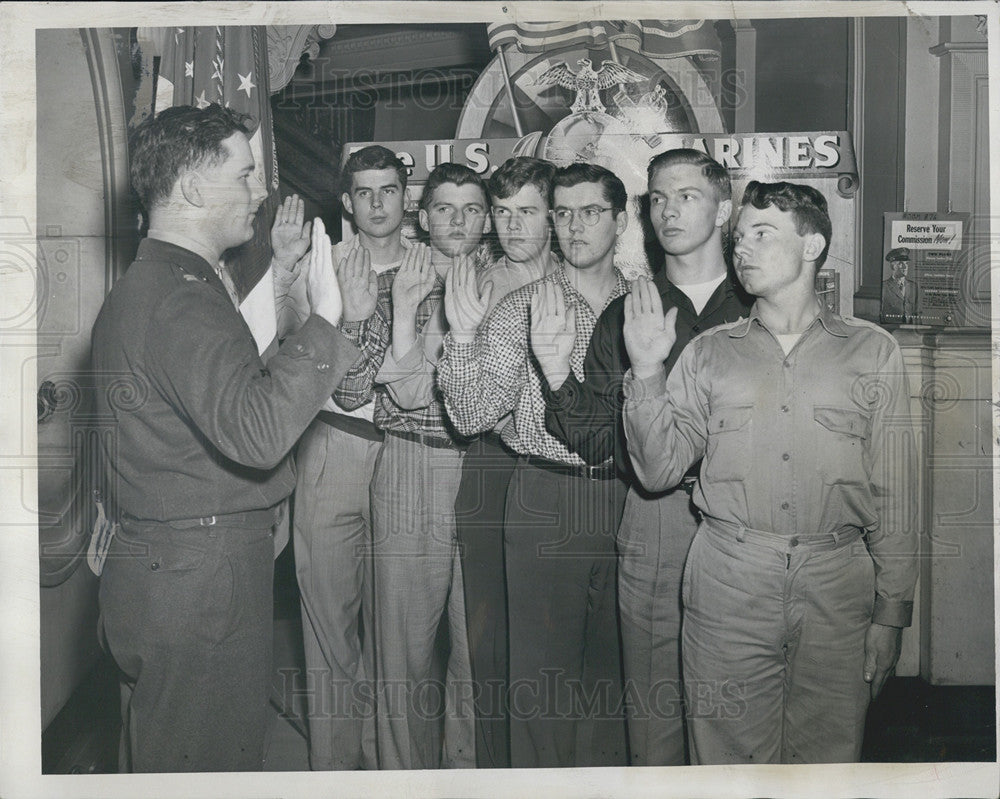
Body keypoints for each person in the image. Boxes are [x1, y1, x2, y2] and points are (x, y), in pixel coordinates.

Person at [91, 103, 359, 772]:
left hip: (165, 569)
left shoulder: (161, 282)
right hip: (202, 584)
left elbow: (219, 383)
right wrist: (329, 316)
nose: (261, 190)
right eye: (244, 175)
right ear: (190, 189)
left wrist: (287, 289)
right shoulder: (180, 296)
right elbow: (258, 430)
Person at [622, 180, 918, 764]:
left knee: (827, 762)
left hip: (837, 583)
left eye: (763, 234)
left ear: (812, 246)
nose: (743, 250)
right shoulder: (707, 353)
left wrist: (892, 615)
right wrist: (649, 371)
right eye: (739, 239)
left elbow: (898, 494)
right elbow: (657, 472)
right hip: (730, 580)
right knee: (728, 764)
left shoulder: (872, 351)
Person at [541, 149, 752, 766]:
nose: (668, 210)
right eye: (657, 198)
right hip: (658, 518)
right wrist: (557, 378)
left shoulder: (760, 303)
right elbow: (601, 439)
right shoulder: (628, 312)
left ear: (724, 207)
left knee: (737, 708)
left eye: (686, 195)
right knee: (654, 712)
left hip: (745, 523)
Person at [438, 162, 631, 768]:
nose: (574, 226)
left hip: (633, 500)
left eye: (590, 212)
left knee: (614, 685)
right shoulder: (523, 306)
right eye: (565, 213)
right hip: (545, 496)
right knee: (540, 689)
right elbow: (471, 416)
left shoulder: (648, 304)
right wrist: (465, 339)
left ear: (621, 221)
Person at [333, 162, 491, 769]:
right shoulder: (395, 278)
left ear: (487, 221)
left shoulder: (503, 283)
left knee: (475, 653)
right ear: (423, 217)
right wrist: (386, 315)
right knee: (401, 653)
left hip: (482, 473)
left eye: (471, 209)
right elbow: (350, 391)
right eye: (444, 209)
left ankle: (464, 774)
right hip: (409, 466)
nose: (457, 220)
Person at [270, 145, 411, 771]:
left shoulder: (435, 266)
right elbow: (284, 357)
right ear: (348, 203)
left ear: (406, 197)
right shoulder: (318, 267)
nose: (378, 203)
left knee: (398, 633)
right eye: (365, 193)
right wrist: (283, 270)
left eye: (389, 190)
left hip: (406, 455)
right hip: (332, 446)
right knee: (329, 623)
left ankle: (392, 770)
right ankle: (336, 774)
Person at [453, 156, 561, 769]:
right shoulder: (479, 285)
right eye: (502, 212)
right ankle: (497, 770)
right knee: (490, 633)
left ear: (552, 214)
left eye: (527, 212)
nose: (512, 226)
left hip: (565, 473)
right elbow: (468, 396)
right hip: (493, 467)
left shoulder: (583, 279)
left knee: (555, 633)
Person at [881, 246, 918, 322]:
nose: (905, 267)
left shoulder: (913, 286)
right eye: (901, 264)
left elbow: (917, 313)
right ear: (893, 266)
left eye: (906, 263)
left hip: (909, 330)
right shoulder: (884, 287)